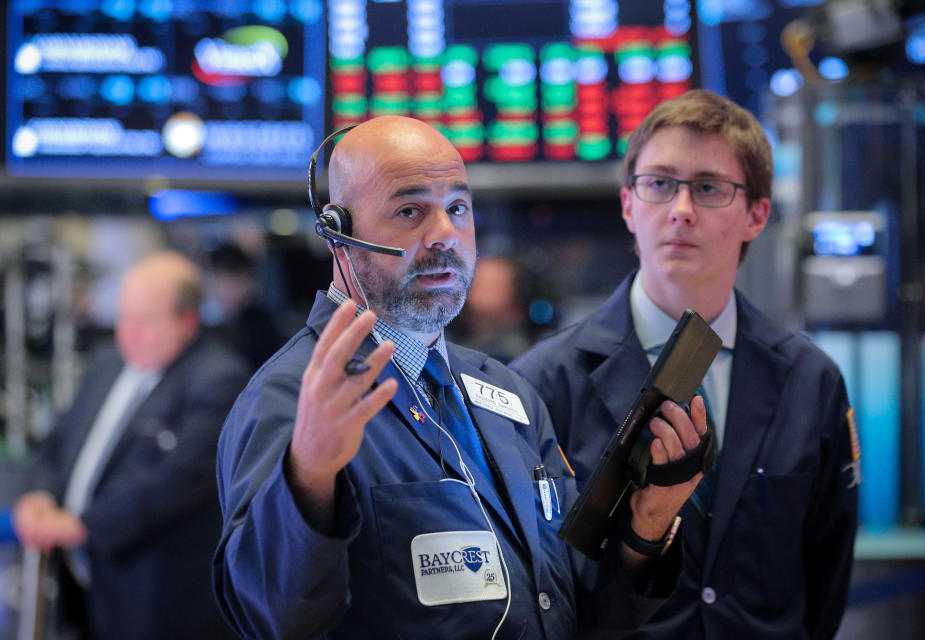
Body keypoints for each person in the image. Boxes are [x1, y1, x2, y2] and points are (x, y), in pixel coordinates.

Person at [213, 116, 710, 639]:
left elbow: (576, 610)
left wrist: (649, 519)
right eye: (409, 211)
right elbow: (270, 619)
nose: (444, 236)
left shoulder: (508, 392)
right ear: (339, 233)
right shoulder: (290, 397)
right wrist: (308, 479)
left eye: (456, 208)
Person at [511, 89, 859, 639]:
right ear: (628, 205)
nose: (681, 209)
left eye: (709, 188)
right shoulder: (540, 384)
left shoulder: (810, 381)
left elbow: (828, 571)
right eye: (660, 184)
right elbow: (540, 593)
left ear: (757, 214)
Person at [13, 251, 249, 640]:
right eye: (123, 316)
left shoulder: (220, 380)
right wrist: (37, 494)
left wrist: (80, 526)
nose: (126, 332)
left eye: (143, 321)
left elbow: (173, 482)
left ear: (187, 320)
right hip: (82, 585)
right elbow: (58, 443)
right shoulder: (107, 363)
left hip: (157, 599)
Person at [205, 242, 284, 370]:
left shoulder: (261, 322)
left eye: (238, 281)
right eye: (226, 282)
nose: (231, 290)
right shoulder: (201, 324)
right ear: (212, 280)